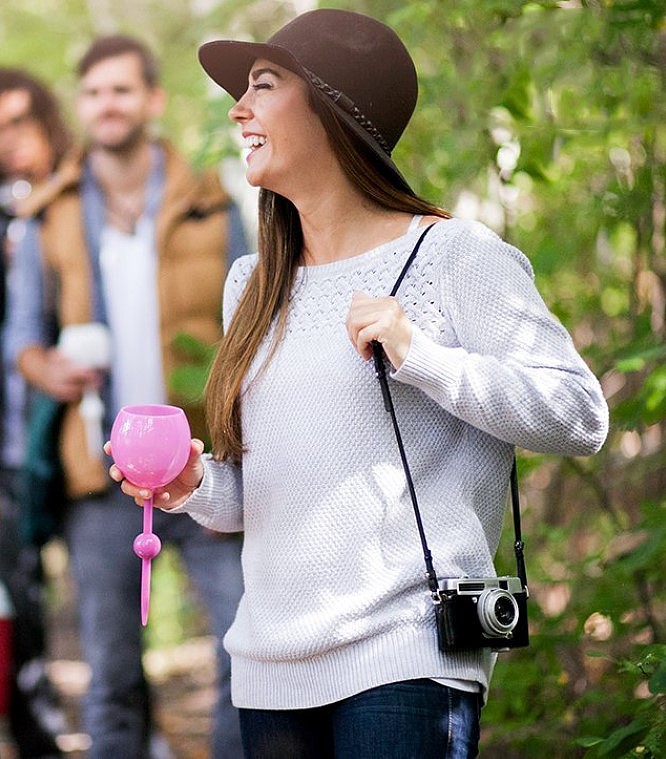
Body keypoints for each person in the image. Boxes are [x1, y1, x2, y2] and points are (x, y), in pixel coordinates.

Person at [109, 8, 610, 757]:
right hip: (270, 668)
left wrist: (422, 355)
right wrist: (189, 483)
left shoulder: (452, 255)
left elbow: (579, 414)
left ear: (334, 108)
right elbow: (261, 495)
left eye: (263, 85)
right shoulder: (252, 282)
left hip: (405, 655)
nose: (237, 108)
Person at [3, 34, 249, 759]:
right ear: (81, 106)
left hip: (206, 468)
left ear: (151, 100)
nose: (106, 105)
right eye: (93, 93)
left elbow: (249, 328)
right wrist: (50, 370)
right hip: (98, 474)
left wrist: (233, 453)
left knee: (245, 648)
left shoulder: (210, 198)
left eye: (120, 90)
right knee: (110, 674)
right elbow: (23, 343)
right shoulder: (48, 215)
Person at [0, 67, 73, 758]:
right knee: (20, 594)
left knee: (108, 594)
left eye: (20, 122)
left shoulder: (92, 204)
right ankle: (36, 734)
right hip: (8, 441)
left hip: (92, 436)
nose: (9, 141)